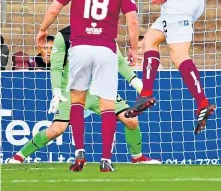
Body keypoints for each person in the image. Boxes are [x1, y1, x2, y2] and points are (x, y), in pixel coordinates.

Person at [35, 0, 139, 172]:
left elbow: (54, 8)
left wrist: (42, 30)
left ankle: (80, 152)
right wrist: (133, 47)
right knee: (108, 106)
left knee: (77, 102)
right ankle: (105, 160)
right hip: (106, 48)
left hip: (79, 47)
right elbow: (132, 20)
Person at [6, 26, 160, 165]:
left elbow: (118, 61)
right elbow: (56, 67)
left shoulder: (106, 30)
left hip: (100, 87)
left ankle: (137, 158)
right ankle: (19, 156)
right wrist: (56, 91)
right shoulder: (64, 36)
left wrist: (136, 82)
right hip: (72, 89)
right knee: (57, 129)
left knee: (131, 120)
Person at [125, 0, 215, 134]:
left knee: (179, 56)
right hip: (193, 2)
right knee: (150, 40)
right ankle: (145, 92)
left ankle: (202, 102)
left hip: (181, 2)